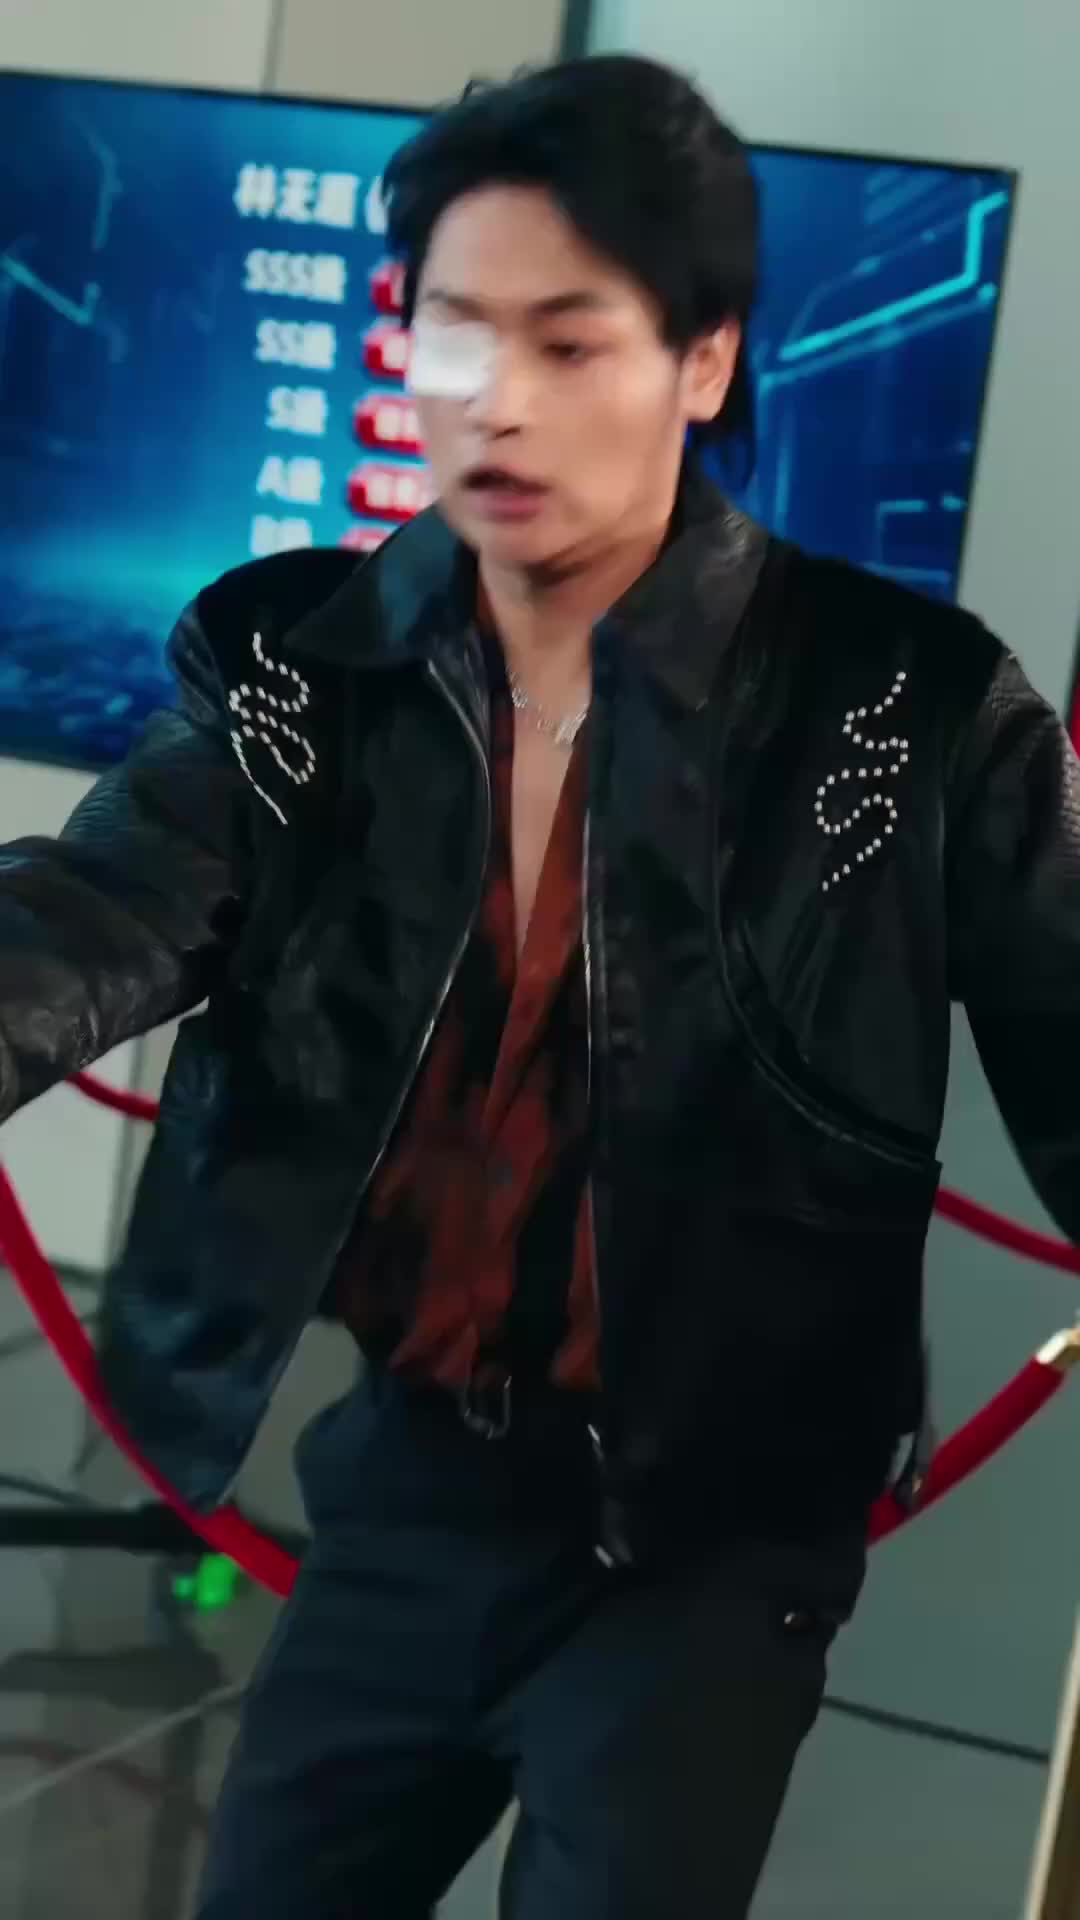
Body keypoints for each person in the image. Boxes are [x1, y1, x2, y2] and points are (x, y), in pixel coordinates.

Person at [0, 51, 1076, 1919]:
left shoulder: (902, 705)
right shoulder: (305, 663)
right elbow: (101, 903)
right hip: (410, 1488)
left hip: (713, 1542)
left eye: (570, 343)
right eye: (455, 329)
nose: (496, 397)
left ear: (704, 362)